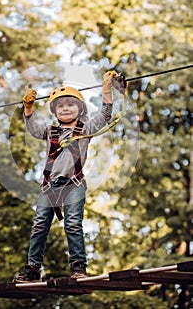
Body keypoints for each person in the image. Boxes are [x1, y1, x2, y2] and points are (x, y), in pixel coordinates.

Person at [13, 71, 124, 282]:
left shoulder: (86, 128)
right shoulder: (49, 131)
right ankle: (32, 268)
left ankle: (78, 267)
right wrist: (28, 108)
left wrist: (107, 90)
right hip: (49, 186)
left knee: (73, 224)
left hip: (74, 184)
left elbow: (105, 116)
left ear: (80, 109)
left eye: (70, 105)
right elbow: (32, 129)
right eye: (60, 106)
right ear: (55, 111)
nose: (65, 109)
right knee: (39, 226)